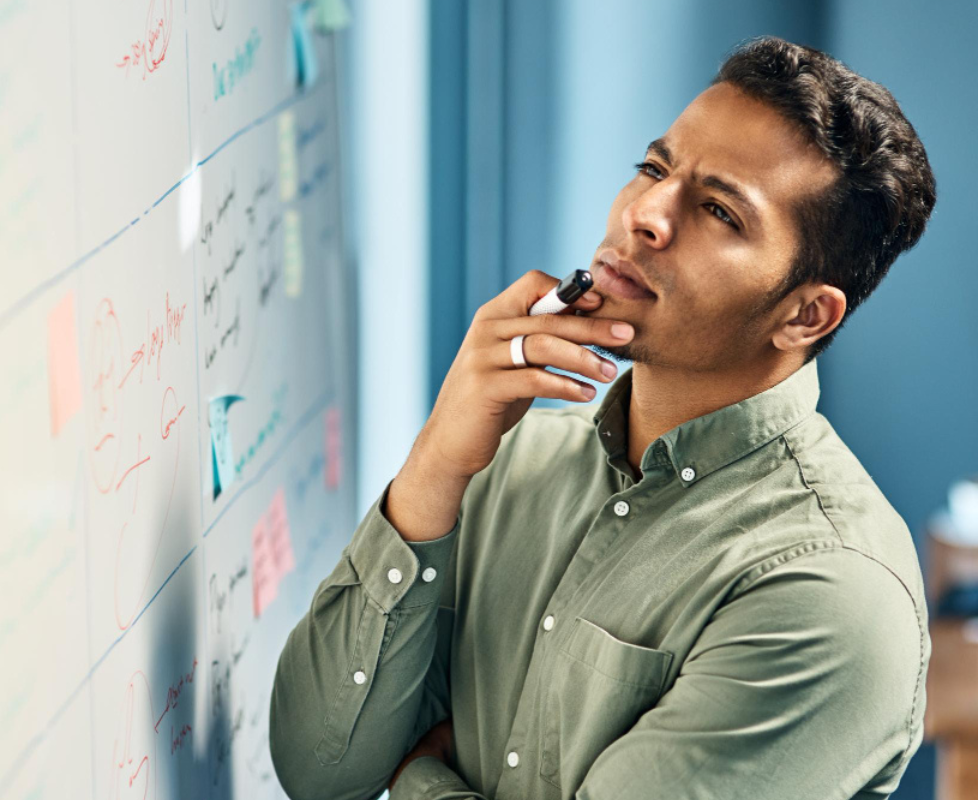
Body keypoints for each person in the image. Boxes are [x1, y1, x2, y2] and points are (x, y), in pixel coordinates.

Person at [270, 35, 936, 800]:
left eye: (718, 211)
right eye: (655, 168)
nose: (645, 213)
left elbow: (375, 777)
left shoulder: (831, 593)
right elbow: (320, 768)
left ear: (804, 316)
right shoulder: (515, 455)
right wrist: (435, 466)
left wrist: (418, 778)